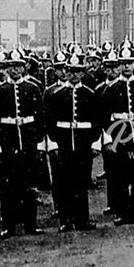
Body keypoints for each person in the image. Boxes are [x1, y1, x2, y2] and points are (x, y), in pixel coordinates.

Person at [0, 50, 47, 239]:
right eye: (12, 66)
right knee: (8, 186)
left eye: (19, 66)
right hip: (7, 141)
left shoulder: (33, 88)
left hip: (29, 141)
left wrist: (39, 144)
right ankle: (8, 226)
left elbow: (40, 119)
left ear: (24, 67)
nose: (15, 70)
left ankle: (31, 224)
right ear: (7, 68)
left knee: (29, 185)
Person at [100, 42, 134, 225]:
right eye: (123, 62)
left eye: (130, 62)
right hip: (119, 137)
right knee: (120, 177)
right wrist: (108, 141)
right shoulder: (111, 88)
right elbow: (104, 116)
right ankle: (123, 213)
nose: (126, 66)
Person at [44, 53, 100, 232]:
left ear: (83, 73)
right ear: (65, 72)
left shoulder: (90, 94)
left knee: (82, 182)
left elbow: (96, 121)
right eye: (70, 71)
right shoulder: (56, 95)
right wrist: (52, 144)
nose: (74, 75)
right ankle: (65, 220)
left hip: (83, 142)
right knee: (64, 181)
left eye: (77, 71)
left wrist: (94, 144)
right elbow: (49, 122)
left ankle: (82, 219)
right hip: (63, 142)